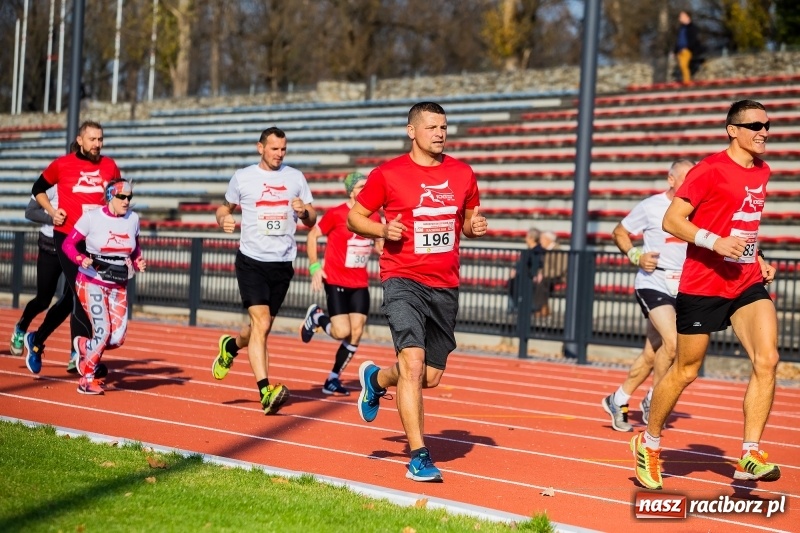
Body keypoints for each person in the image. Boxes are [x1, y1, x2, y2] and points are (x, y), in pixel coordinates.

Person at [631, 100, 780, 490]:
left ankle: (749, 452)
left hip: (745, 279)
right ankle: (649, 443)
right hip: (703, 283)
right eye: (756, 125)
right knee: (686, 370)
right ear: (733, 129)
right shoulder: (708, 169)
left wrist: (757, 255)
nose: (764, 131)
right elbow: (672, 220)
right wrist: (715, 243)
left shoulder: (762, 171)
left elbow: (743, 224)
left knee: (767, 359)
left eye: (768, 125)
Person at [347, 101, 488, 482]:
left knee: (429, 376)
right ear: (412, 131)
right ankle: (419, 455)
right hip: (402, 279)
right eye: (431, 127)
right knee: (411, 363)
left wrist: (476, 227)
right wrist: (381, 231)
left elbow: (470, 221)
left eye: (444, 126)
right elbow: (354, 217)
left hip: (445, 285)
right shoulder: (388, 174)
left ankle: (376, 380)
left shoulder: (462, 174)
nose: (440, 133)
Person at [210, 126, 317, 415]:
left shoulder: (295, 177)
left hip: (282, 264)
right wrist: (224, 220)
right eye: (274, 148)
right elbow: (223, 208)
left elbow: (311, 218)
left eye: (283, 149)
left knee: (260, 326)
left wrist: (304, 211)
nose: (279, 154)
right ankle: (265, 391)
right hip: (251, 261)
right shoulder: (243, 177)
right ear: (261, 148)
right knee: (263, 325)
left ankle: (231, 347)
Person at [601, 159, 694, 432]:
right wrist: (636, 255)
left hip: (684, 284)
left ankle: (617, 399)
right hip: (653, 281)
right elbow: (619, 231)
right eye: (685, 177)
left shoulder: (697, 207)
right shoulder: (651, 206)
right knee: (673, 343)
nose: (690, 182)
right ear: (671, 180)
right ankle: (655, 399)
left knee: (652, 353)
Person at [25, 121, 121, 377]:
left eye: (100, 139)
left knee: (73, 298)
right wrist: (52, 212)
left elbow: (118, 197)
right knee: (84, 296)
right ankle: (84, 357)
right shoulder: (62, 164)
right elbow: (37, 189)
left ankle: (37, 339)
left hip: (95, 240)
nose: (97, 144)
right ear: (80, 140)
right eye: (92, 139)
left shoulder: (109, 166)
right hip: (68, 238)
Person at [299, 171, 383, 396]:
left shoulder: (374, 216)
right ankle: (317, 317)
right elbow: (312, 235)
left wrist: (384, 244)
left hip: (360, 283)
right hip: (336, 280)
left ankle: (332, 378)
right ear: (351, 191)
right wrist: (315, 266)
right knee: (341, 331)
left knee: (356, 333)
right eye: (360, 187)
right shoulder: (337, 214)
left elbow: (378, 245)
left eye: (367, 186)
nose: (365, 190)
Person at [64, 179, 145, 394]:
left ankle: (83, 345)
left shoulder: (133, 219)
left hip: (118, 285)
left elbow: (135, 249)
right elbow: (68, 244)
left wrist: (138, 261)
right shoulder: (91, 218)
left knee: (117, 338)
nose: (126, 201)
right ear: (110, 196)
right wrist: (81, 259)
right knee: (103, 331)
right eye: (122, 197)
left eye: (129, 197)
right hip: (91, 281)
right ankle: (86, 378)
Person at [9, 188, 72, 357]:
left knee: (72, 301)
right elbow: (30, 212)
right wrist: (53, 218)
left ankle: (73, 351)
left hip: (75, 248)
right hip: (50, 247)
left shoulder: (88, 184)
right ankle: (21, 328)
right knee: (43, 300)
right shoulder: (52, 183)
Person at [506, 227, 542, 313]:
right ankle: (514, 306)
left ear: (532, 238)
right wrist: (514, 269)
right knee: (512, 281)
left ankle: (517, 306)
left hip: (529, 275)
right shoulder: (528, 250)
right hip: (523, 273)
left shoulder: (537, 251)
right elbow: (521, 264)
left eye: (527, 236)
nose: (525, 239)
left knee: (516, 281)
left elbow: (536, 265)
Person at [532, 231, 565, 317]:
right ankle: (541, 306)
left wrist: (543, 275)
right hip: (546, 275)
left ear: (548, 240)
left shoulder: (558, 251)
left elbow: (559, 269)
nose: (540, 242)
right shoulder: (545, 251)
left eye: (542, 239)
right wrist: (538, 274)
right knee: (534, 281)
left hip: (558, 277)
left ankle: (541, 308)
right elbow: (542, 267)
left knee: (543, 282)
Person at [674, 10, 702, 84]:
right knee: (682, 66)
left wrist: (688, 47)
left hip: (687, 50)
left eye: (681, 16)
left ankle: (687, 82)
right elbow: (678, 40)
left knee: (684, 65)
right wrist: (676, 50)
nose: (680, 18)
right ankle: (685, 80)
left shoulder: (692, 28)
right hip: (680, 50)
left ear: (687, 17)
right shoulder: (681, 28)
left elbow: (693, 39)